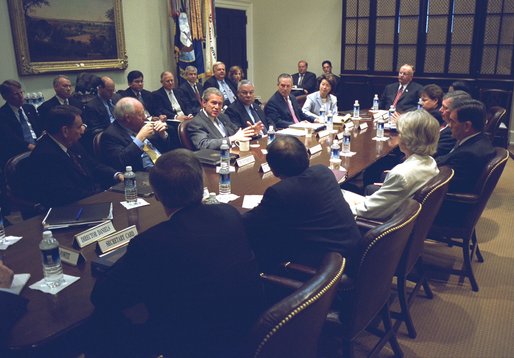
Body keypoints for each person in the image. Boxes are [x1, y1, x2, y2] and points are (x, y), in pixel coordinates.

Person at [90, 149, 263, 357]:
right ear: (203, 185)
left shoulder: (151, 243)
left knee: (101, 326)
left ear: (157, 195)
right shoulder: (229, 214)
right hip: (247, 326)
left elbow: (102, 297)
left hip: (193, 343)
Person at [243, 135, 361, 273]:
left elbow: (249, 223)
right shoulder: (324, 172)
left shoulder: (281, 193)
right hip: (354, 255)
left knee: (257, 244)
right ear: (307, 156)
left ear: (273, 169)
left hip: (328, 270)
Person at [346, 110, 440, 220]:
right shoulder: (430, 161)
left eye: (397, 132)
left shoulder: (401, 175)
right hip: (391, 212)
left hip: (372, 224)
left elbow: (368, 210)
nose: (392, 134)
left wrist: (338, 208)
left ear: (409, 138)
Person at [29, 106, 122, 207]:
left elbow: (93, 165)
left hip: (91, 197)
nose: (83, 130)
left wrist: (117, 175)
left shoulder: (71, 142)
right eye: (79, 127)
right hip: (70, 209)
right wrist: (105, 194)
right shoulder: (45, 156)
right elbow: (66, 194)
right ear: (65, 131)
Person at [436, 99, 495, 193]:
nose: (449, 125)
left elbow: (442, 187)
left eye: (452, 121)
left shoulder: (469, 154)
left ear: (467, 126)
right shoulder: (476, 138)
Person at [100, 97, 172, 172]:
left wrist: (163, 134)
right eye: (141, 114)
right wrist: (139, 139)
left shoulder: (142, 123)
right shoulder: (110, 135)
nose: (145, 117)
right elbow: (121, 161)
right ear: (128, 118)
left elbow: (166, 147)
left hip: (163, 162)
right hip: (145, 173)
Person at [187, 88, 261, 150]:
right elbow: (203, 144)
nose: (217, 107)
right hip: (217, 160)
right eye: (214, 103)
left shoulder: (223, 117)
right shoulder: (197, 122)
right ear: (204, 103)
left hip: (234, 153)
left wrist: (252, 132)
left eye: (220, 104)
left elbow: (237, 132)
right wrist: (231, 139)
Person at [0, 80, 42, 168]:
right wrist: (29, 146)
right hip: (18, 151)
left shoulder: (30, 108)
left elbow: (39, 128)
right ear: (5, 97)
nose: (21, 96)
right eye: (16, 94)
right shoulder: (2, 114)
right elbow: (9, 138)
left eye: (21, 92)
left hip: (38, 145)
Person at [435, 90, 471, 157]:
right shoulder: (443, 121)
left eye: (445, 108)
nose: (440, 110)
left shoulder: (454, 131)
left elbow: (433, 153)